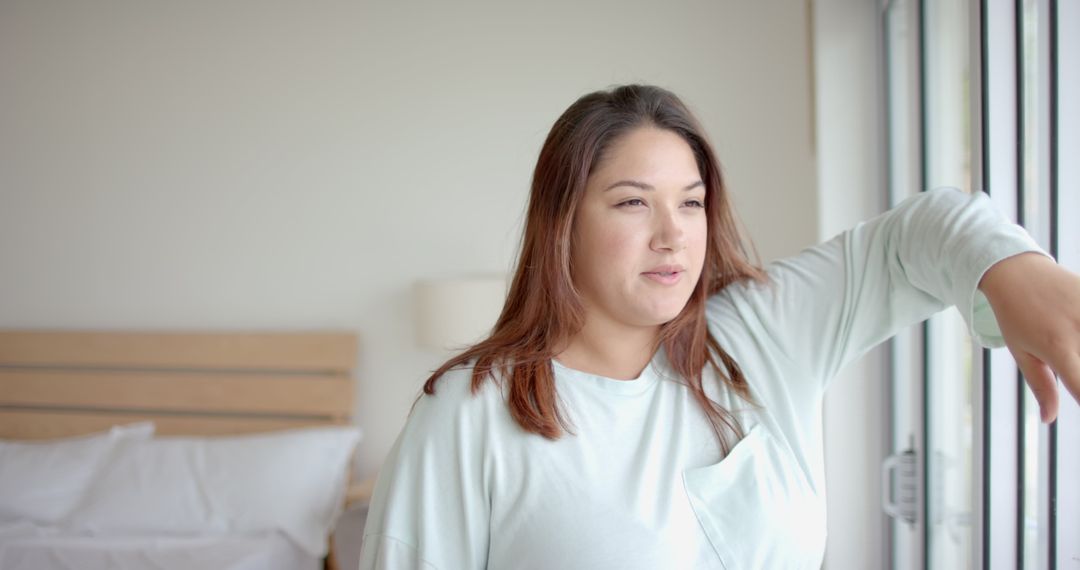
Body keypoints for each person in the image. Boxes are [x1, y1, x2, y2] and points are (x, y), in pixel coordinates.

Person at [357, 84, 1080, 569]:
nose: (673, 235)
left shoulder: (759, 333)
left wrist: (1016, 270)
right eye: (633, 204)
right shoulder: (470, 415)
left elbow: (918, 236)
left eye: (692, 203)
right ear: (563, 223)